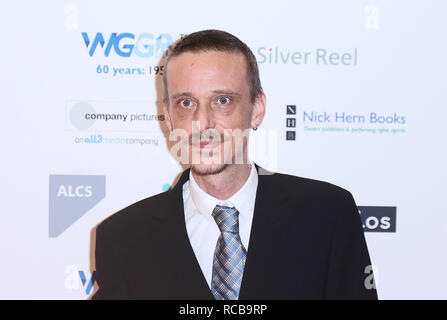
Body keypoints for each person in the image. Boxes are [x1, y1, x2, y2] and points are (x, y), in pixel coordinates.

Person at [91, 29, 377, 300]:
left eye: (222, 100)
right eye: (186, 103)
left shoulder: (327, 215)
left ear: (256, 109)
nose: (202, 123)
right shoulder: (123, 238)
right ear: (168, 116)